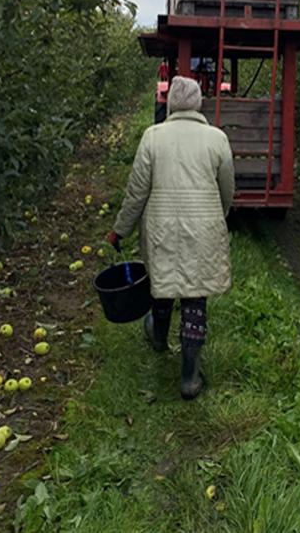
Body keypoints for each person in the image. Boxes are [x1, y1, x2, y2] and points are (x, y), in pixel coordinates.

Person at [106, 76, 234, 400]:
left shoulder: (153, 137)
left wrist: (120, 228)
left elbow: (137, 192)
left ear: (170, 102)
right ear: (198, 102)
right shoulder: (216, 139)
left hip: (162, 226)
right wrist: (217, 216)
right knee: (195, 294)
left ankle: (159, 338)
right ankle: (190, 376)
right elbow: (227, 189)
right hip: (204, 226)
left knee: (162, 285)